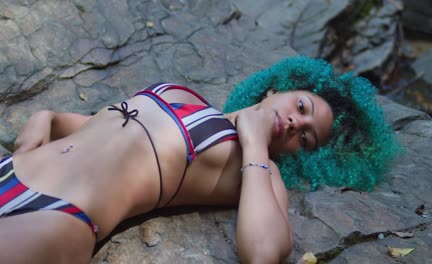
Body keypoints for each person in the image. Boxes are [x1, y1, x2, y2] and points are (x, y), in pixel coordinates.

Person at [0, 57, 399, 263]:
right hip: (15, 171)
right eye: (302, 105)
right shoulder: (188, 98)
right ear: (281, 86)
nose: (297, 123)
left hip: (59, 217)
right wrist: (46, 118)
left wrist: (256, 145)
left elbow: (263, 252)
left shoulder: (259, 170)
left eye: (306, 137)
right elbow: (99, 126)